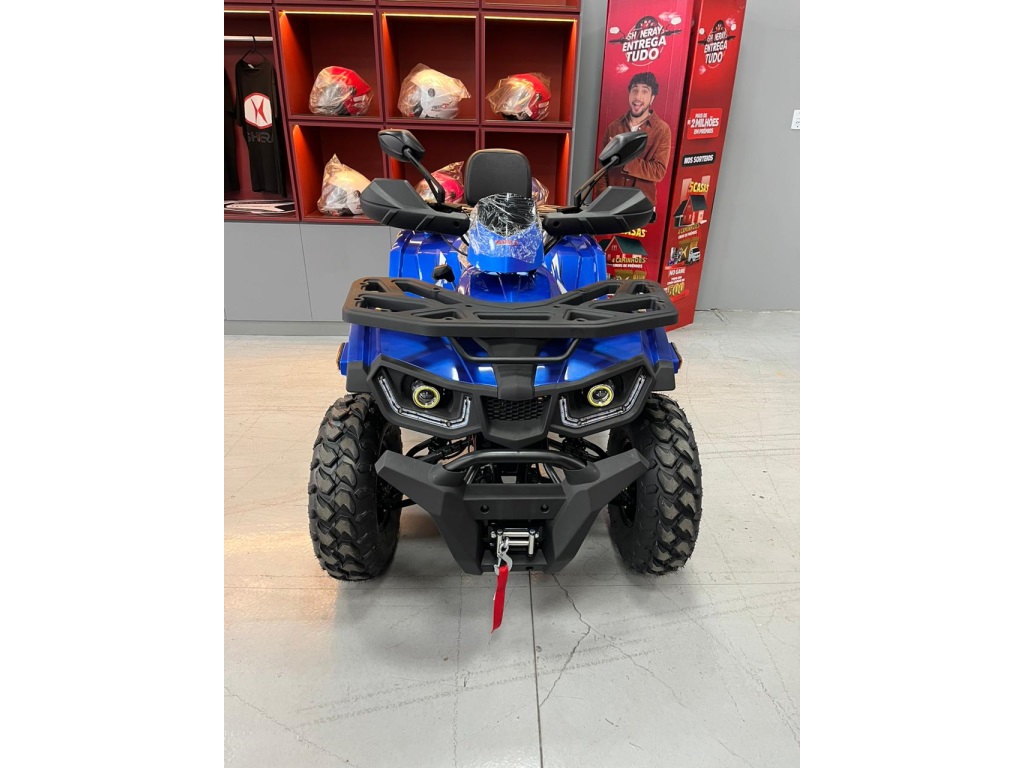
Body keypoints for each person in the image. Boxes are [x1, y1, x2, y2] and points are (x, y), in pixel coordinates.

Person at [593, 72, 672, 205]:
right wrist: (603, 199)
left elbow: (658, 171)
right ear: (629, 94)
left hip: (641, 206)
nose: (638, 96)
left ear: (652, 98)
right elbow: (601, 170)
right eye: (634, 90)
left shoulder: (662, 130)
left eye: (644, 91)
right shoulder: (614, 127)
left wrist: (624, 159)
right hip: (611, 204)